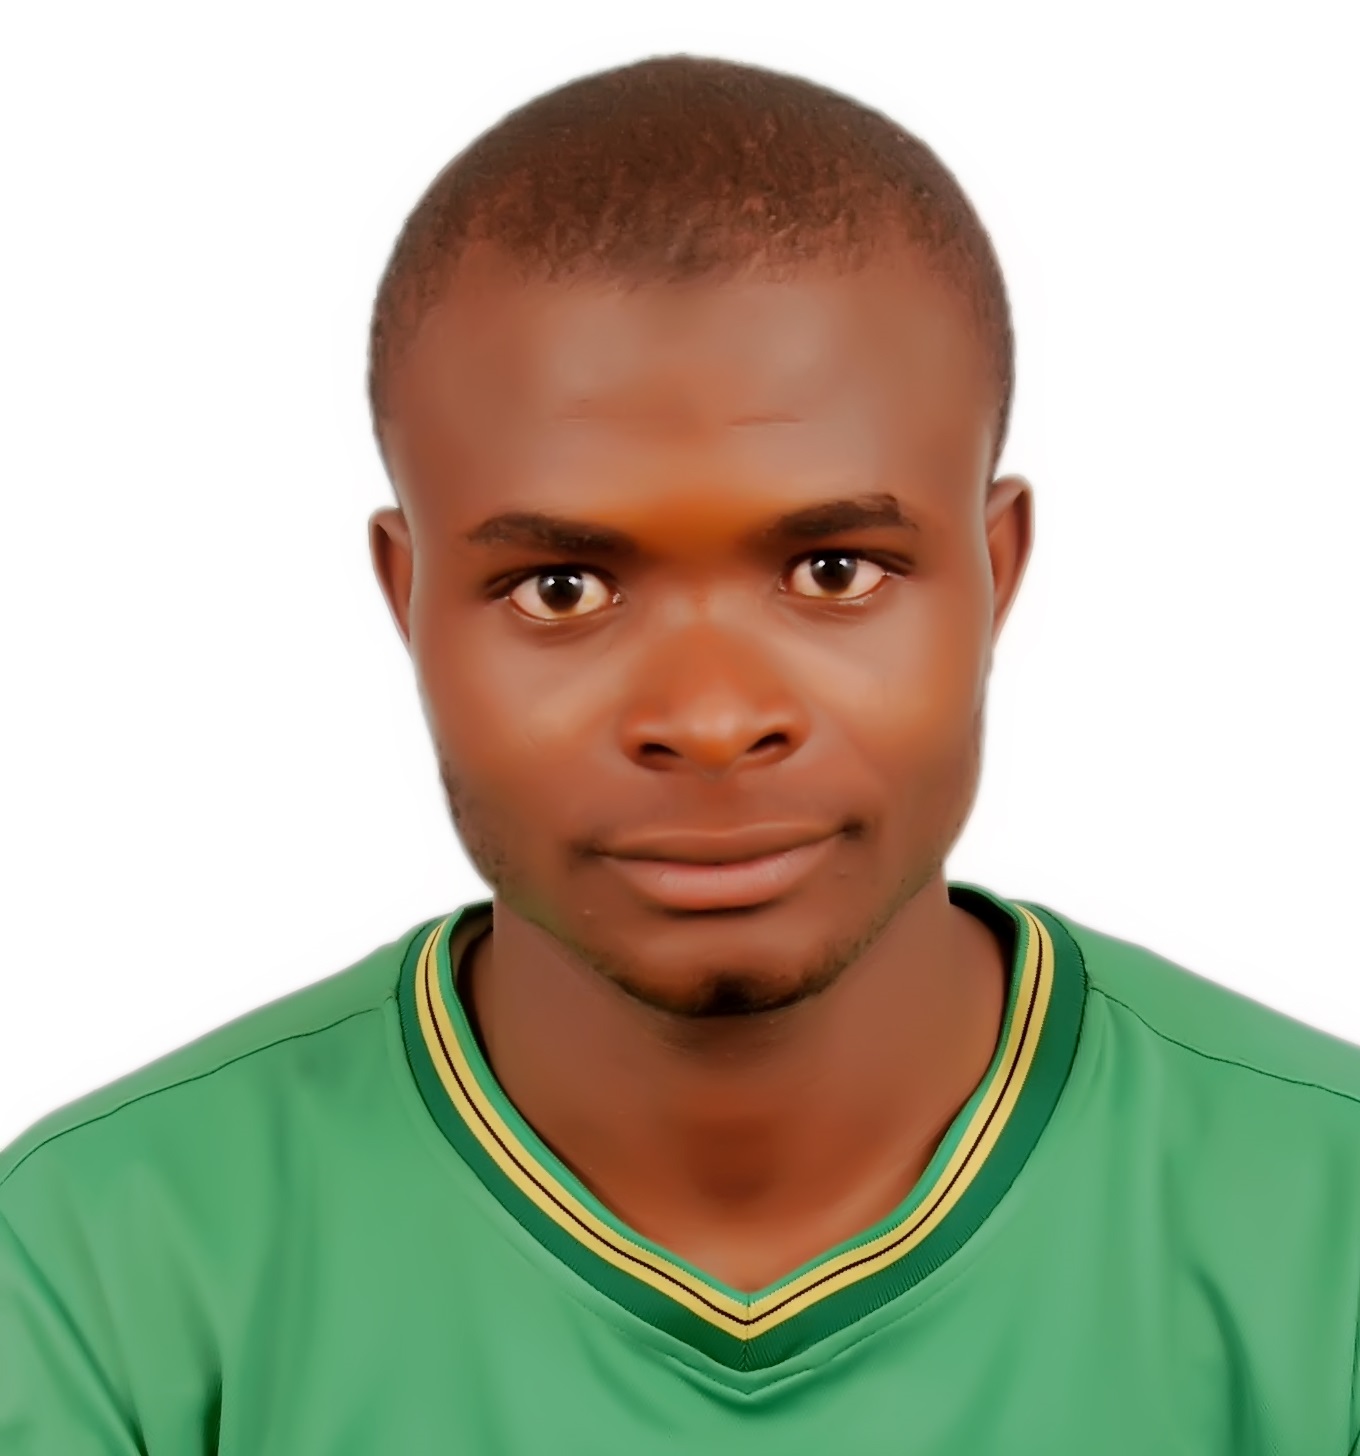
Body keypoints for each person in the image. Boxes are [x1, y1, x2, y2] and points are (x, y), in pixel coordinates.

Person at [2, 53, 1357, 1455]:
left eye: (836, 571)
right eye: (563, 590)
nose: (710, 720)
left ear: (997, 571)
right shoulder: (101, 1273)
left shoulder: (1332, 1231)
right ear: (406, 600)